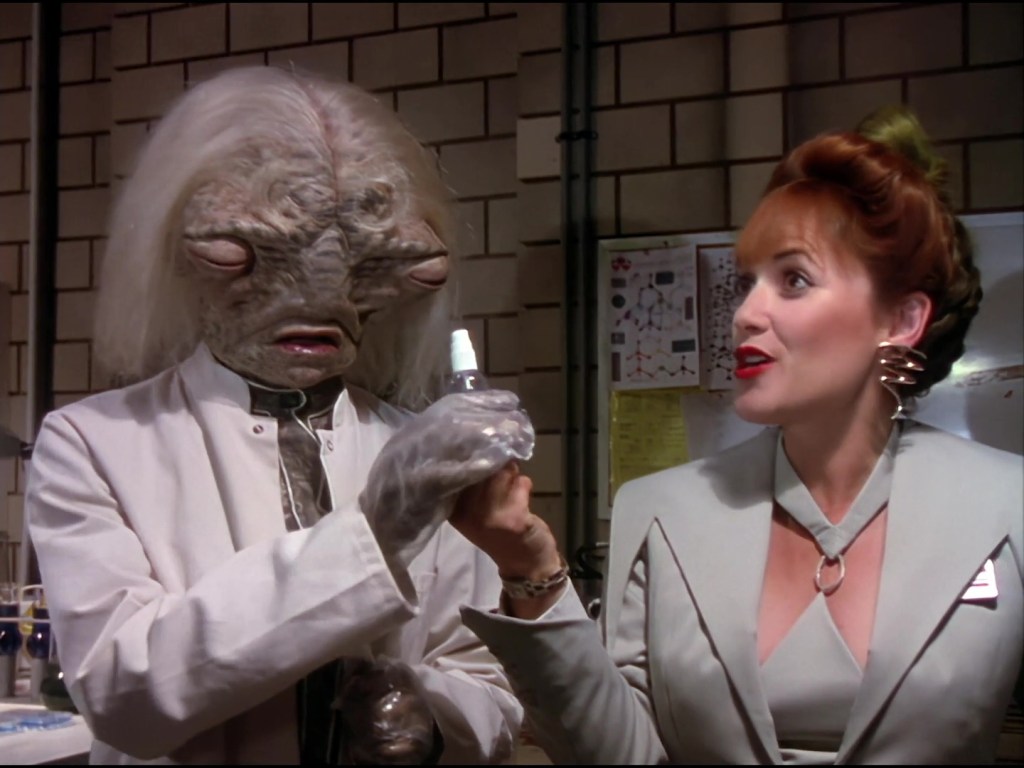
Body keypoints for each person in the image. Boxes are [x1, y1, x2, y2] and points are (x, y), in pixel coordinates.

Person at [452, 105, 1024, 764]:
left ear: (900, 319)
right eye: (748, 282)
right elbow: (618, 752)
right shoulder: (660, 513)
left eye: (794, 279)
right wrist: (529, 568)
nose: (746, 314)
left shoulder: (1005, 505)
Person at [24, 65, 534, 764]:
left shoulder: (419, 452)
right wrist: (375, 534)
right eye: (248, 258)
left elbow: (488, 681)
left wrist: (436, 717)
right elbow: (121, 695)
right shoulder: (95, 444)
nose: (319, 302)